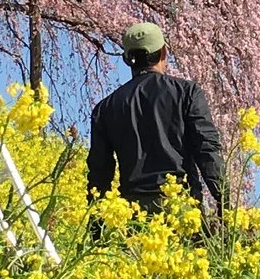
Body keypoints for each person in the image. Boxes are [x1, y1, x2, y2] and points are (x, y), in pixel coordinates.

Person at [87, 21, 227, 220]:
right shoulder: (187, 93)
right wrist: (226, 203)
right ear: (164, 52)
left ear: (127, 59)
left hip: (132, 214)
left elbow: (99, 172)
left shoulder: (105, 108)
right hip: (181, 208)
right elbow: (207, 149)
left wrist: (95, 230)